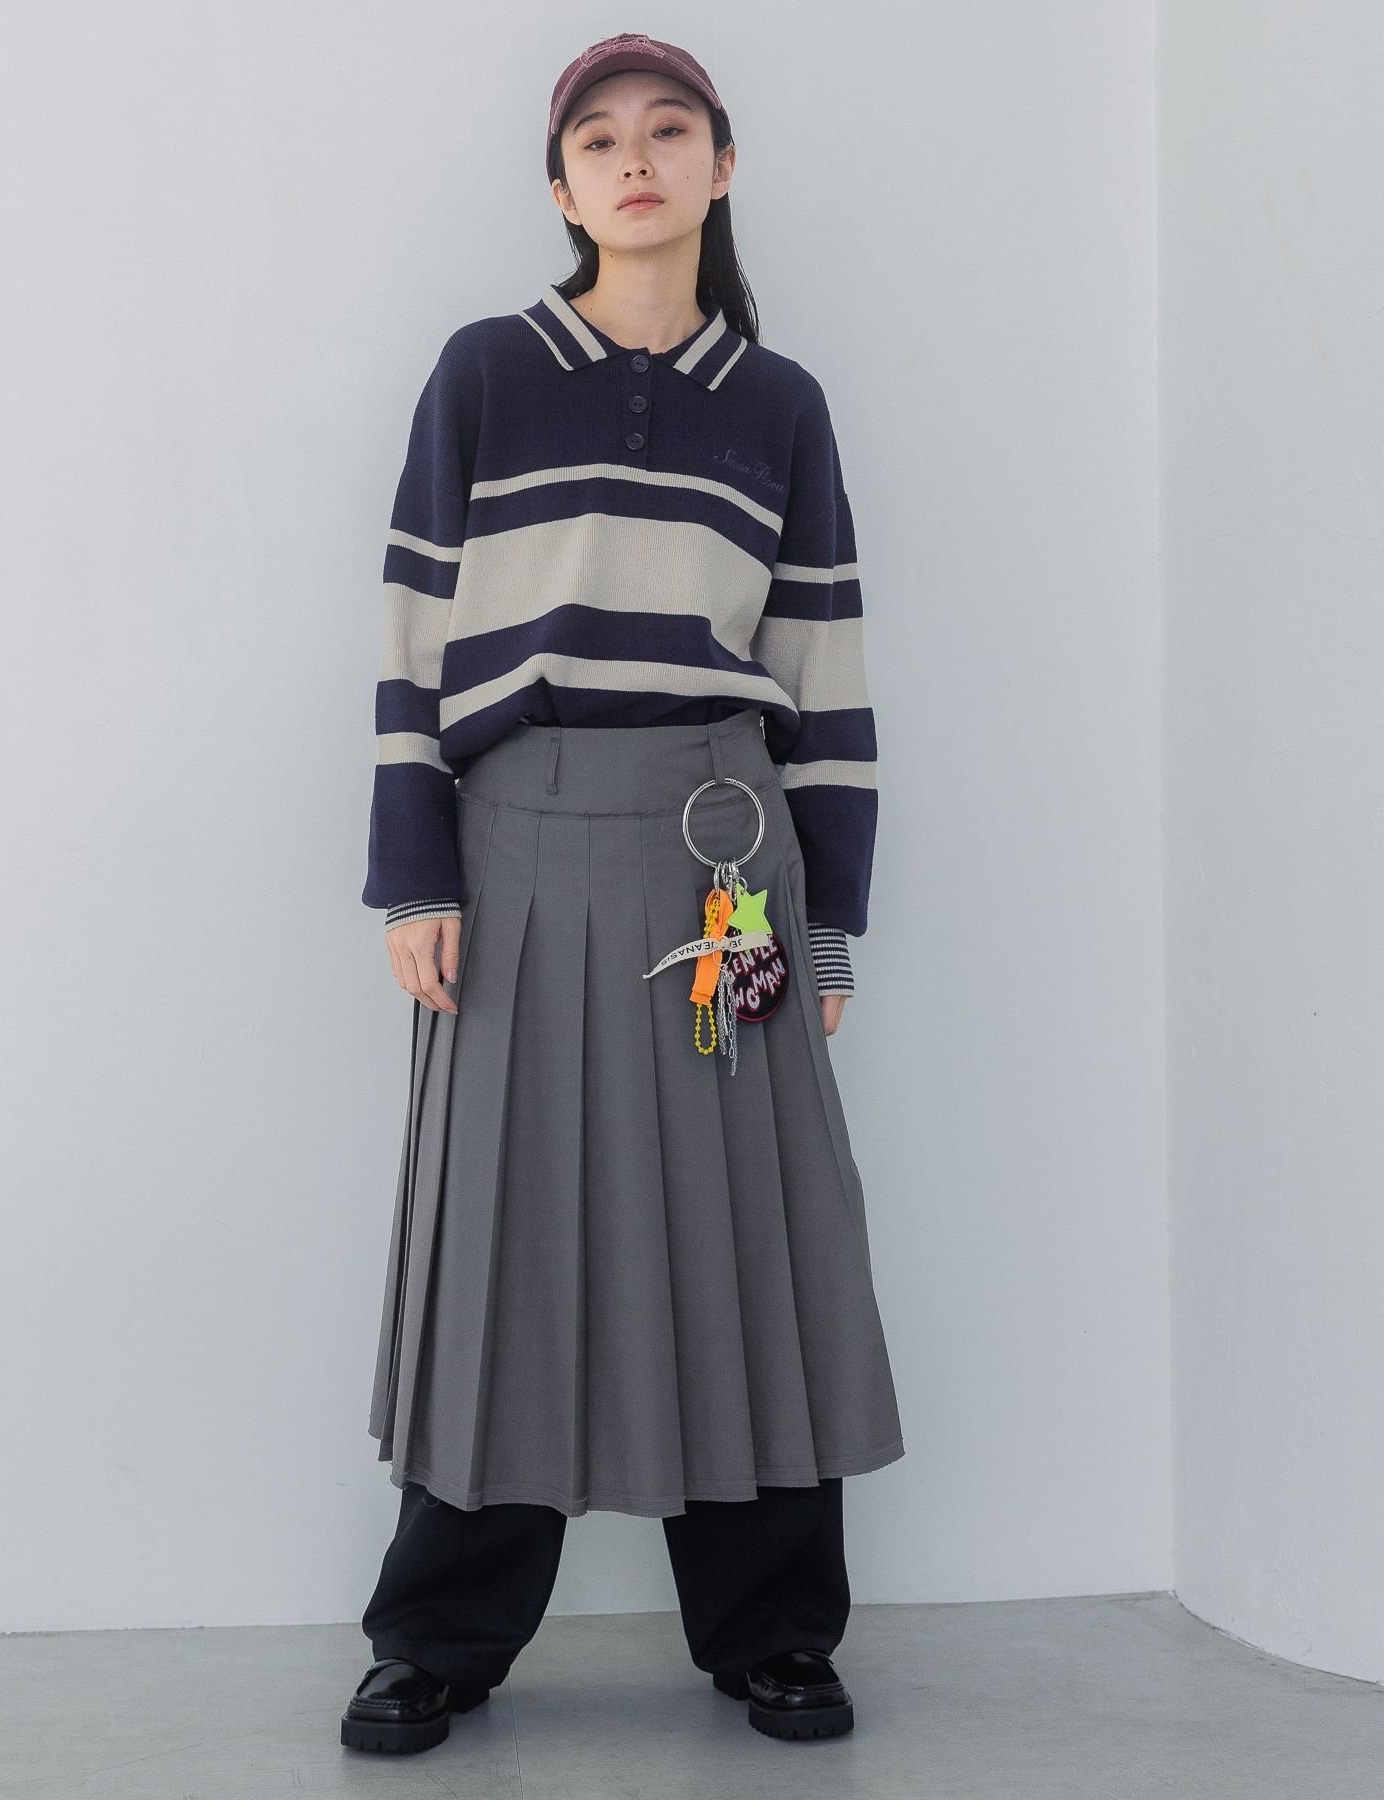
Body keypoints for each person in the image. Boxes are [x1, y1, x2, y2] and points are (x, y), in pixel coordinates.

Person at [341, 32, 906, 1757]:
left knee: (745, 1227)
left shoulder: (781, 404)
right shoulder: (485, 373)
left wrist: (826, 922)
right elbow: (413, 633)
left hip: (722, 856)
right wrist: (412, 874)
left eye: (669, 131)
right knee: (504, 1226)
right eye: (598, 139)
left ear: (722, 168)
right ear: (563, 185)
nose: (635, 159)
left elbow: (822, 663)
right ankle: (439, 1635)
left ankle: (774, 1630)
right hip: (513, 845)